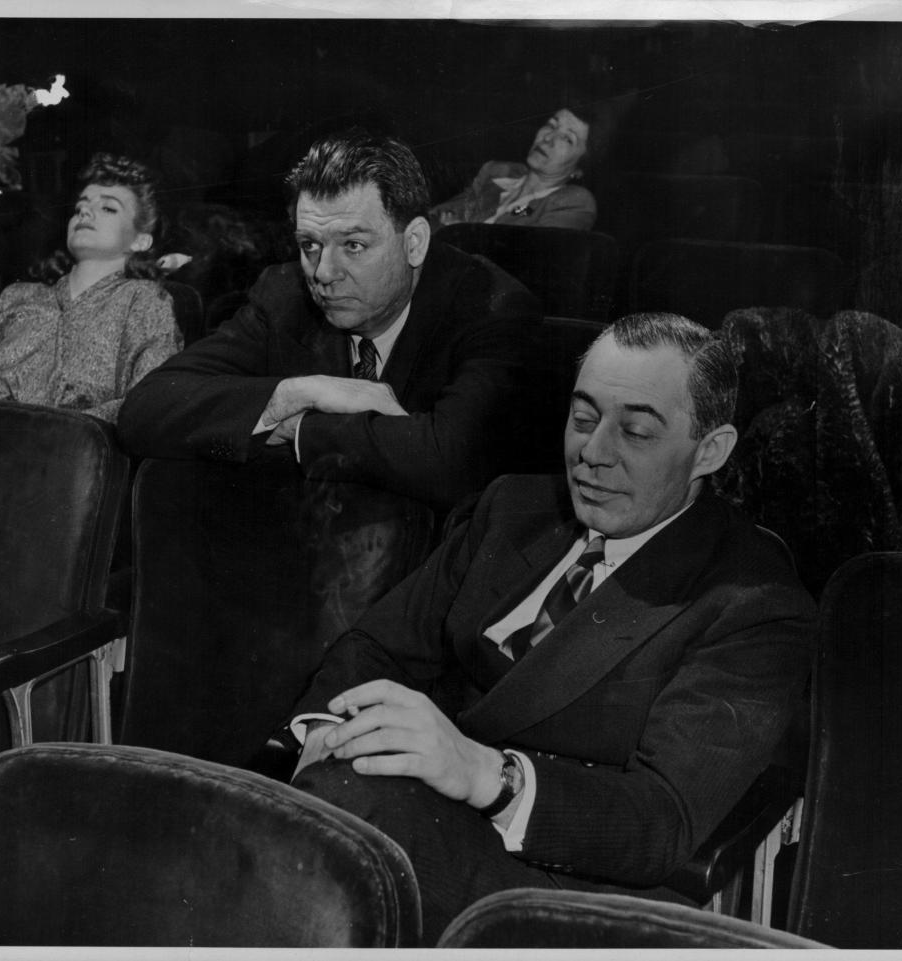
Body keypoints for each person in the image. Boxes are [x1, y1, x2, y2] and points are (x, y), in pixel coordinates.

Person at [279, 312, 817, 944]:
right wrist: (323, 728)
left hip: (559, 883)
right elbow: (380, 645)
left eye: (636, 432)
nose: (592, 453)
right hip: (395, 808)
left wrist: (487, 774)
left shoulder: (754, 602)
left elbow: (661, 820)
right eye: (583, 418)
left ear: (711, 450)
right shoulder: (512, 508)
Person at [117, 129, 539, 511]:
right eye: (310, 245)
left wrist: (302, 430)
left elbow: (452, 463)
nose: (323, 272)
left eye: (353, 245)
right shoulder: (285, 293)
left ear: (414, 243)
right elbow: (145, 409)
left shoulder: (491, 305)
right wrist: (300, 393)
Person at [0, 153, 181, 423]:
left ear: (140, 240)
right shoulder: (18, 296)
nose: (85, 211)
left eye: (109, 208)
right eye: (79, 207)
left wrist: (70, 432)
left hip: (70, 453)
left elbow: (148, 399)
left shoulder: (145, 300)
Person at [429, 107, 597, 232]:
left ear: (579, 168)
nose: (548, 138)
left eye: (567, 138)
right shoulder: (497, 174)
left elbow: (529, 258)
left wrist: (459, 234)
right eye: (551, 125)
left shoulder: (574, 202)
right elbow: (433, 216)